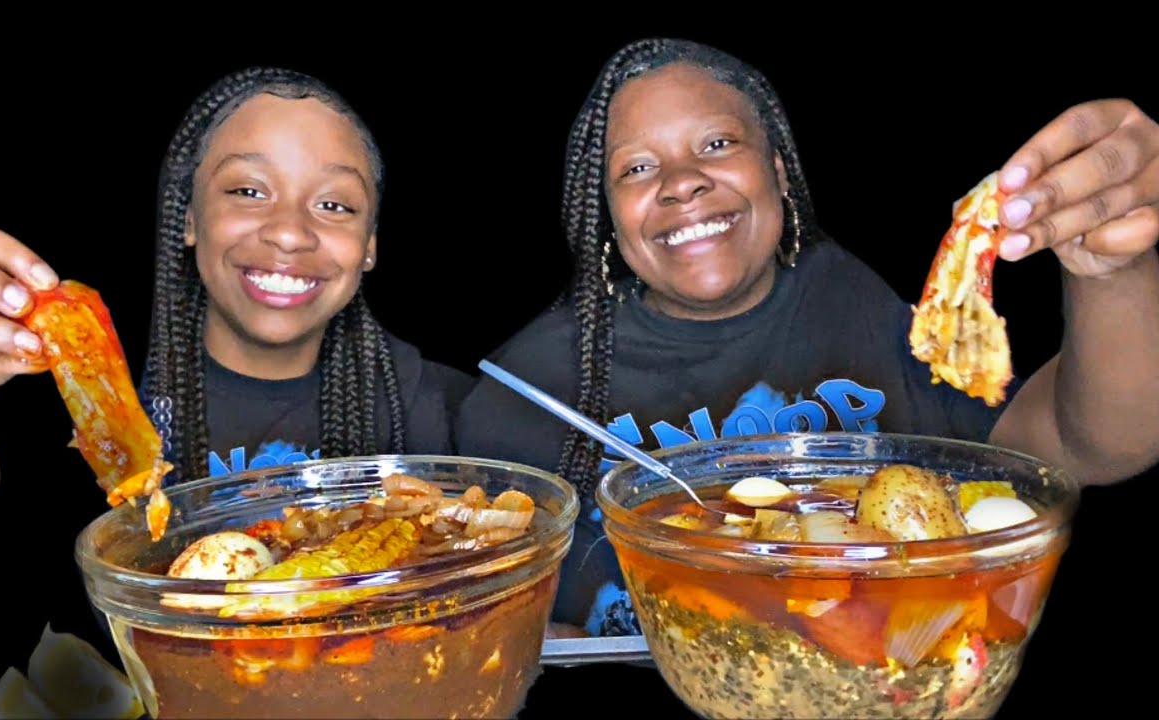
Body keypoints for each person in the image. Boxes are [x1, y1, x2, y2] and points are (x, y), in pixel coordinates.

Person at [453, 38, 1159, 638]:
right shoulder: (527, 388)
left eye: (718, 144)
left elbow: (1090, 446)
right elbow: (491, 624)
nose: (682, 183)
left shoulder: (844, 296)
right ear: (609, 216)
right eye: (637, 168)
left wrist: (1112, 270)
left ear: (780, 173)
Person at [0, 66, 471, 547]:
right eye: (248, 191)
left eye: (335, 205)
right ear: (189, 219)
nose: (289, 233)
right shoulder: (83, 393)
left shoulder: (443, 409)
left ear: (369, 245)